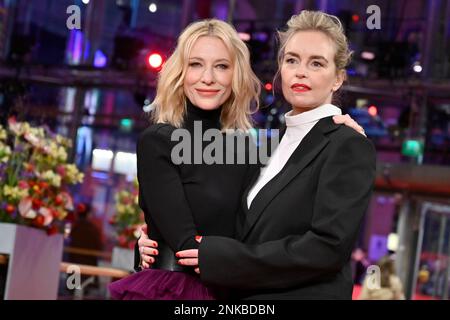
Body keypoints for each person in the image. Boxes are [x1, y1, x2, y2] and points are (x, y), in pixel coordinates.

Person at [113, 17, 365, 300]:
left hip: (234, 293)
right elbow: (186, 243)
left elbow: (260, 230)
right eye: (195, 64)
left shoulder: (251, 148)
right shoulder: (159, 141)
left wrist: (337, 131)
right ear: (179, 71)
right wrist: (153, 245)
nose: (208, 77)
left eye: (221, 66)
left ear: (236, 75)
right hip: (177, 290)